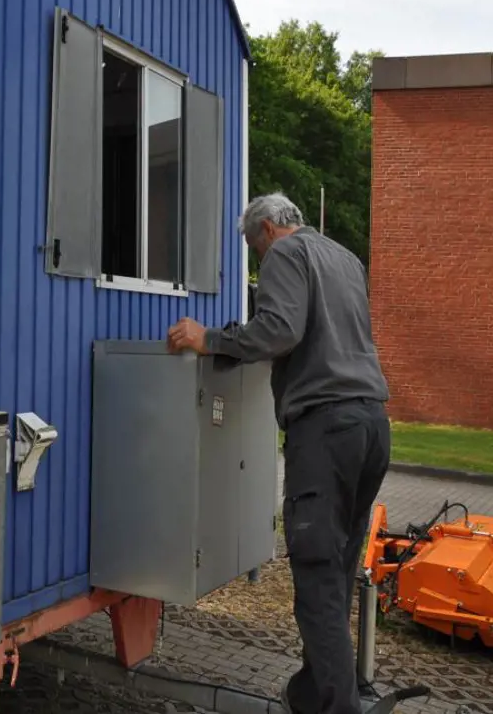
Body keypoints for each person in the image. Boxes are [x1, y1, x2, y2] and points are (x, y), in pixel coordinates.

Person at [167, 192, 391, 714]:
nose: (257, 259)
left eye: (253, 248)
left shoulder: (287, 255)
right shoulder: (344, 258)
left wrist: (212, 340)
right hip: (372, 424)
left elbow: (280, 329)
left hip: (326, 428)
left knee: (315, 579)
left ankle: (338, 706)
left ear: (266, 230)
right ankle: (318, 692)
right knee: (335, 571)